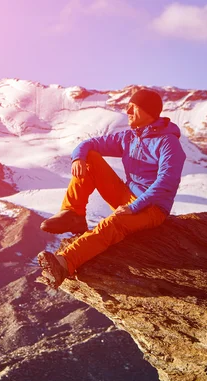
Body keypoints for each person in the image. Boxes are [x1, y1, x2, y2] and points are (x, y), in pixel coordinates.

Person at [37, 89, 186, 289]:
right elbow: (89, 144)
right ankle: (73, 214)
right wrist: (78, 157)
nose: (128, 111)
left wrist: (134, 207)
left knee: (113, 223)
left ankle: (65, 263)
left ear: (147, 111)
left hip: (152, 208)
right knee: (90, 157)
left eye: (134, 107)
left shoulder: (169, 143)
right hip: (127, 197)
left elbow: (166, 183)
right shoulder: (129, 137)